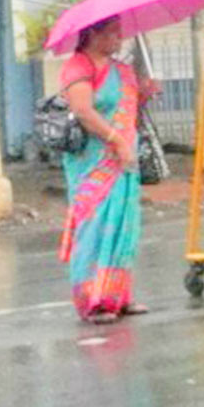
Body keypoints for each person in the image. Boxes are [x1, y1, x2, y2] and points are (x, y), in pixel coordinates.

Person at [58, 16, 156, 323]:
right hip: (94, 161)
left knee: (123, 227)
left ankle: (116, 296)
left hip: (124, 160)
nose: (119, 40)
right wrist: (115, 140)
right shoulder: (79, 66)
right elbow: (83, 111)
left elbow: (126, 110)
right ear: (92, 34)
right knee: (95, 227)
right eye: (113, 34)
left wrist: (145, 93)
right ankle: (92, 300)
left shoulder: (122, 70)